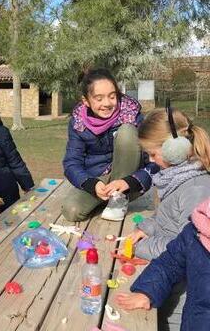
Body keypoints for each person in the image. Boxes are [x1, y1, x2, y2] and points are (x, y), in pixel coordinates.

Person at [125, 105, 210, 330]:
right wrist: (145, 228)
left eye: (153, 154)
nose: (151, 161)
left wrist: (141, 246)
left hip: (183, 303)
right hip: (168, 287)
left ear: (175, 149)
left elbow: (183, 247)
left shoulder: (196, 190)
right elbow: (167, 218)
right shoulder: (178, 179)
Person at [62, 68, 156, 222]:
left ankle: (119, 199)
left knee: (127, 131)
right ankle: (106, 200)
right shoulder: (78, 123)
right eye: (99, 99)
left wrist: (130, 182)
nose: (107, 103)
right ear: (86, 101)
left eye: (112, 97)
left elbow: (155, 160)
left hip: (129, 182)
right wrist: (91, 184)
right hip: (99, 179)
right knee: (71, 211)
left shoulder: (132, 115)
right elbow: (71, 163)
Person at [115, 197, 210, 331]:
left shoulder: (195, 189)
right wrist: (147, 291)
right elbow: (171, 261)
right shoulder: (199, 227)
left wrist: (141, 246)